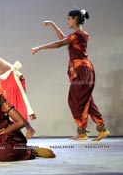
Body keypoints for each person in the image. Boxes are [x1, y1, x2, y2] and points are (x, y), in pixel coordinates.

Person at [31, 9, 110, 141]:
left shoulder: (78, 35)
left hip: (82, 71)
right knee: (85, 100)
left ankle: (85, 130)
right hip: (82, 70)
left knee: (75, 100)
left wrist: (39, 48)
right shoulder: (79, 34)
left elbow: (59, 44)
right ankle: (94, 129)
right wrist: (52, 24)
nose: (67, 21)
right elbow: (63, 38)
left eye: (69, 19)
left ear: (75, 19)